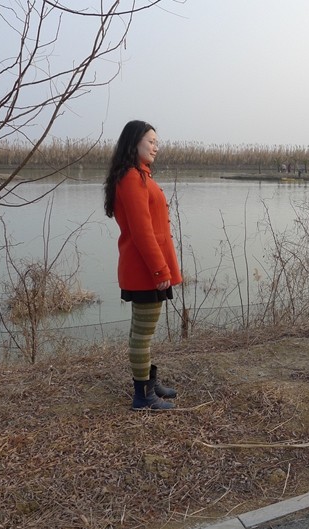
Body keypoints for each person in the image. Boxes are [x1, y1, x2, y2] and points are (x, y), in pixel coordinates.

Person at [104, 120, 182, 410]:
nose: (155, 147)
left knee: (141, 331)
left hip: (144, 268)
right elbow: (142, 231)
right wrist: (160, 270)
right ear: (134, 142)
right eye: (151, 141)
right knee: (143, 334)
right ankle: (143, 396)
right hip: (145, 270)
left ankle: (149, 383)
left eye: (156, 142)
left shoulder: (138, 175)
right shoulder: (132, 179)